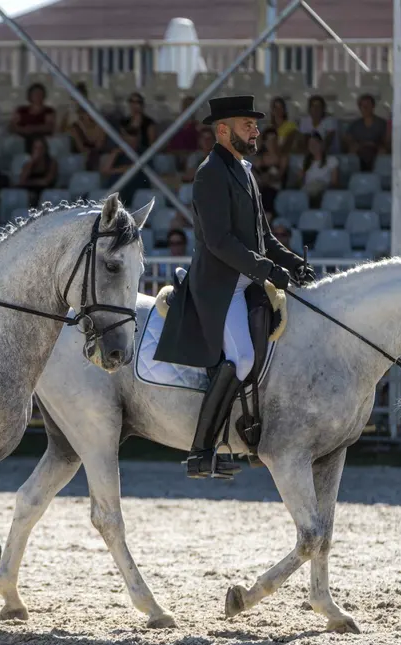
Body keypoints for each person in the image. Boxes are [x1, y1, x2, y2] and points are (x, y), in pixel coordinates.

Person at [154, 96, 311, 479]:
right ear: (222, 130)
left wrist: (293, 263)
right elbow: (219, 241)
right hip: (220, 286)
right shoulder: (210, 173)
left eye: (255, 125)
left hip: (247, 279)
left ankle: (255, 437)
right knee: (241, 360)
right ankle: (201, 451)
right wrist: (268, 269)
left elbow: (263, 237)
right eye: (247, 124)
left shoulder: (244, 170)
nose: (256, 130)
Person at [344, 94, 388, 172]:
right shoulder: (354, 124)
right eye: (363, 106)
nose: (365, 108)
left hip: (376, 149)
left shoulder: (382, 123)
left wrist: (376, 145)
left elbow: (386, 141)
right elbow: (348, 140)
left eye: (368, 105)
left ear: (373, 106)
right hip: (359, 150)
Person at [9, 83, 56, 149]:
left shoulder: (48, 111)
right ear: (30, 96)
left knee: (37, 142)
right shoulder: (21, 110)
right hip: (21, 137)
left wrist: (33, 129)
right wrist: (23, 130)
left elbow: (49, 127)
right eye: (35, 94)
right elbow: (12, 126)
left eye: (40, 94)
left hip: (40, 137)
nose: (37, 96)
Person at [253, 129, 288, 213]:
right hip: (261, 185)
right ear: (264, 142)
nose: (271, 143)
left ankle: (268, 216)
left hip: (275, 187)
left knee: (267, 193)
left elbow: (281, 175)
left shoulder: (282, 157)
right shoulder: (260, 158)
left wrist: (270, 178)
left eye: (273, 140)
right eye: (269, 140)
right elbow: (254, 173)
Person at [67, 100, 108, 171]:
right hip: (81, 156)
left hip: (97, 155)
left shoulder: (101, 125)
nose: (90, 115)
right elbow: (81, 148)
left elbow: (99, 146)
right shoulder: (75, 127)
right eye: (86, 113)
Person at [301, 132, 339, 206]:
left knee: (317, 187)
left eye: (315, 143)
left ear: (321, 144)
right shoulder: (304, 161)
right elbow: (300, 180)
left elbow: (334, 182)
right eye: (310, 144)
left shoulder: (331, 160)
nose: (313, 146)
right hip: (308, 189)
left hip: (324, 190)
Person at [17, 136, 57, 206]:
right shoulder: (28, 164)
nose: (38, 151)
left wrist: (29, 183)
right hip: (29, 192)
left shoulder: (51, 163)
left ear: (45, 149)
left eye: (41, 148)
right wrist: (32, 162)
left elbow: (46, 182)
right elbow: (22, 181)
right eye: (36, 148)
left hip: (45, 192)